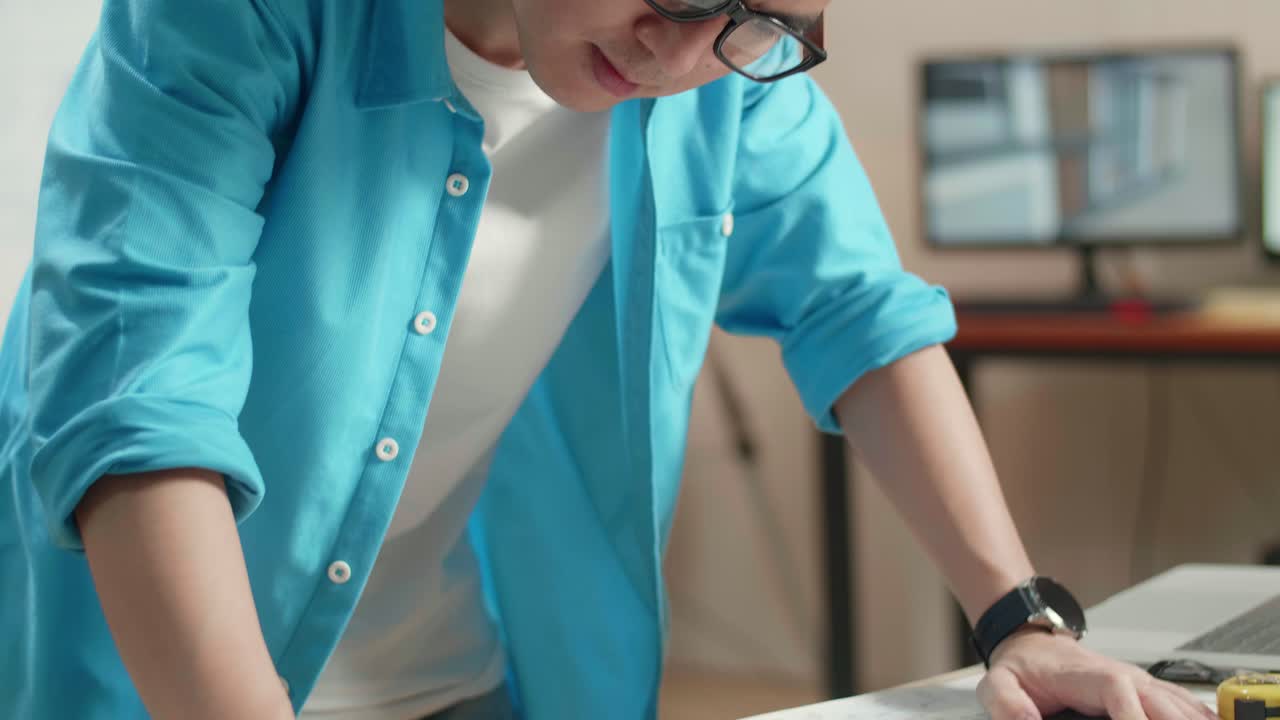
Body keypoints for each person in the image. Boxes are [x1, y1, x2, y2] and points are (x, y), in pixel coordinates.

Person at [0, 1, 1217, 719]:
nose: (681, 52)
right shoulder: (238, 18)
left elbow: (859, 314)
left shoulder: (727, 71)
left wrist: (1020, 620)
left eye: (763, 20)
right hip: (161, 686)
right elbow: (136, 397)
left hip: (451, 681)